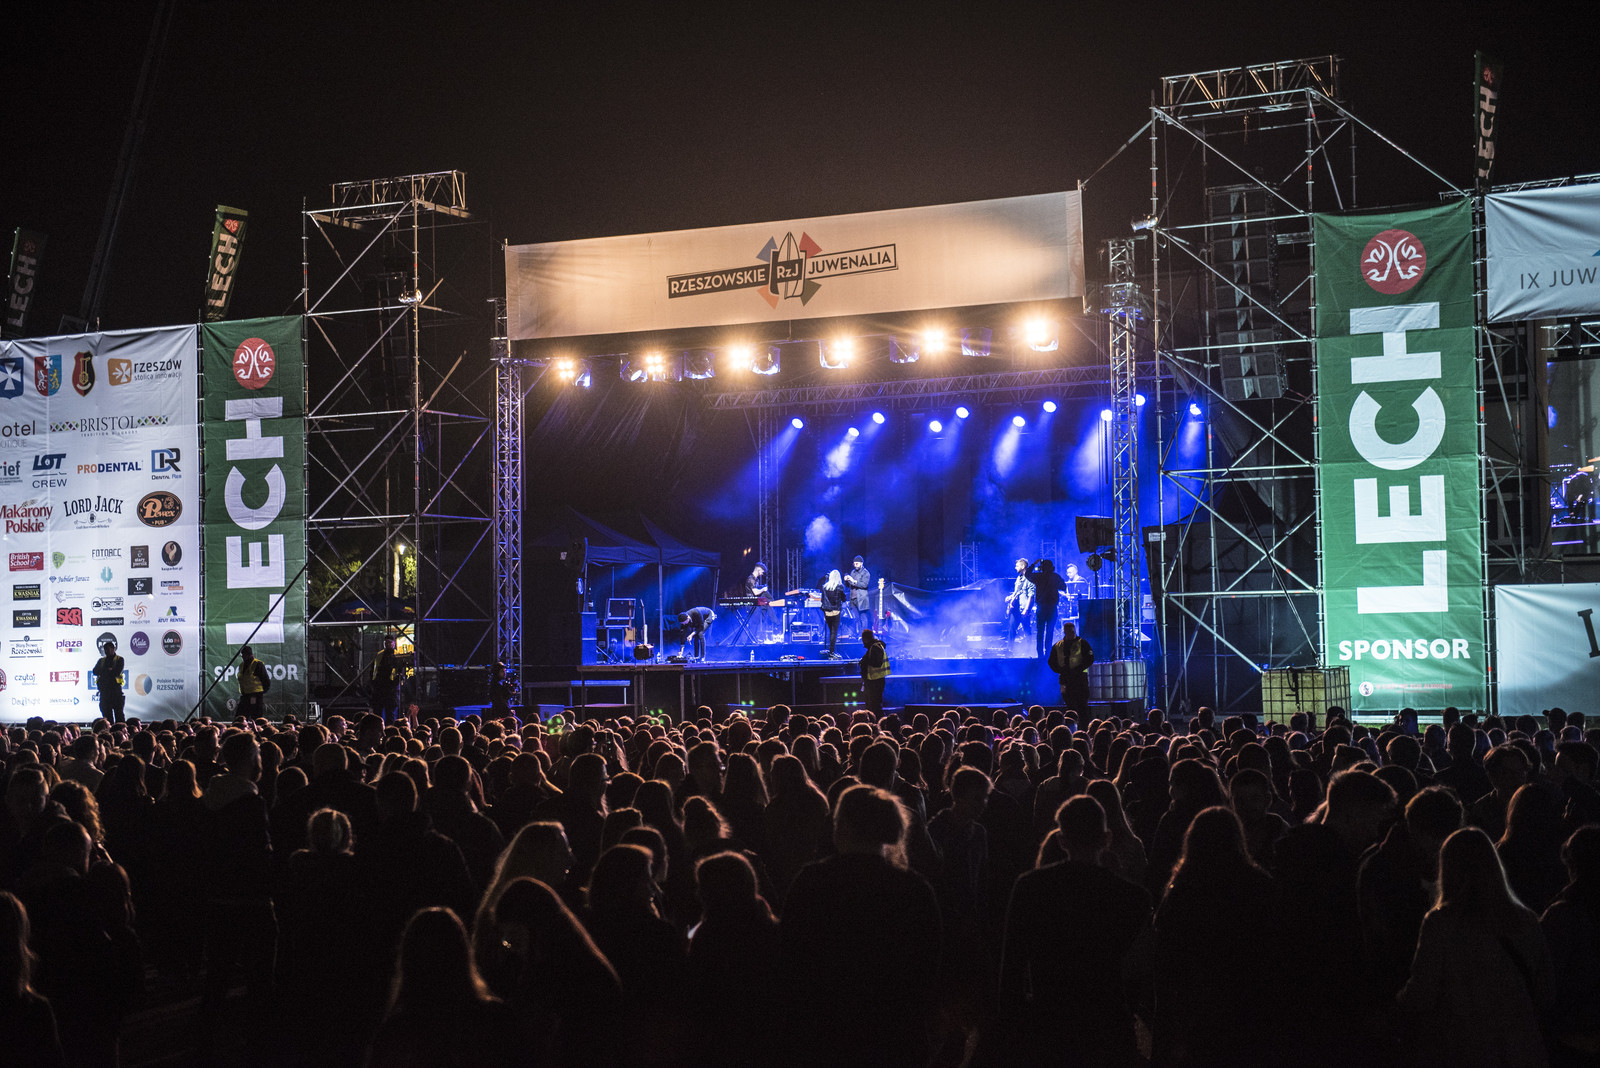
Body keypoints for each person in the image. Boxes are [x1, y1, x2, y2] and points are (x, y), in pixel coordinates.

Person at [779, 785, 941, 1068]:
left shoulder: (812, 882)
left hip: (824, 1033)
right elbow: (928, 966)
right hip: (894, 1034)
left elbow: (788, 957)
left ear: (842, 826)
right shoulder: (913, 888)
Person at [1397, 827, 1554, 1068]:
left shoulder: (1441, 923)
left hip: (1466, 1048)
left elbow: (1422, 994)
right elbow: (1545, 990)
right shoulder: (1526, 920)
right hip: (1522, 1047)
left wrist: (1395, 1007)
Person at [1025, 558, 1068, 659]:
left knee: (1040, 632)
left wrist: (1033, 564)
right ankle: (1048, 654)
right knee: (1050, 632)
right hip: (1052, 608)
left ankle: (1040, 655)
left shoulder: (1038, 576)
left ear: (1042, 568)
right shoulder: (1055, 576)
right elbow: (1063, 587)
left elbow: (1027, 574)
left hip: (1041, 607)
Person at [1047, 621, 1094, 712]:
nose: (1071, 634)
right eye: (1069, 632)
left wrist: (1078, 669)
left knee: (1082, 705)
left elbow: (1090, 659)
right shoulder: (1058, 646)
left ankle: (1082, 720)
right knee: (1069, 704)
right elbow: (1051, 662)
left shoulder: (1082, 643)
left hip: (1080, 678)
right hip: (1065, 678)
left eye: (1072, 632)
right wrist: (1061, 670)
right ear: (1064, 632)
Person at [91, 638, 126, 724]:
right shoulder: (101, 660)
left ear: (113, 649)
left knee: (119, 714)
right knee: (106, 715)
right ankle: (109, 729)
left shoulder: (119, 659)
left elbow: (116, 672)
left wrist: (104, 671)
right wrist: (108, 670)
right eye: (105, 649)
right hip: (104, 691)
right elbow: (95, 671)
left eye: (108, 649)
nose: (106, 651)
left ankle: (120, 729)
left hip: (116, 691)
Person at [1002, 558, 1034, 649]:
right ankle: (1010, 650)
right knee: (1012, 629)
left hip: (1024, 609)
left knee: (1027, 630)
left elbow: (1031, 596)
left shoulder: (1030, 578)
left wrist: (1026, 610)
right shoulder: (1019, 578)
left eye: (1017, 566)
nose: (1015, 567)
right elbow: (1016, 592)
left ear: (1023, 566)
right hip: (1015, 609)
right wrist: (1010, 597)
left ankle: (1029, 650)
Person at [370, 637, 404, 722]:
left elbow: (401, 671)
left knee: (390, 712)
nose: (387, 644)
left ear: (394, 644)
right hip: (379, 686)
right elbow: (373, 669)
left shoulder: (398, 655)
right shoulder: (379, 655)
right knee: (378, 711)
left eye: (389, 642)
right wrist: (373, 682)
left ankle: (390, 727)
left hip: (391, 687)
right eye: (386, 643)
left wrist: (396, 682)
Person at [859, 628, 890, 716]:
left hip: (875, 681)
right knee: (873, 705)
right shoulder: (874, 647)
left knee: (875, 705)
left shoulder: (875, 647)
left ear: (865, 639)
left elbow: (877, 663)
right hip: (874, 680)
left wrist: (865, 662)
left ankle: (878, 721)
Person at [235, 645, 271, 718]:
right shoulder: (242, 665)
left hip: (255, 695)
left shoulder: (258, 664)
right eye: (242, 655)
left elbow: (266, 680)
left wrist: (260, 693)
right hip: (245, 695)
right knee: (240, 716)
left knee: (256, 716)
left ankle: (257, 725)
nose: (242, 657)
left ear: (249, 654)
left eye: (244, 655)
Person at [818, 570, 846, 657]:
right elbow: (844, 599)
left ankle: (832, 649)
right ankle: (832, 652)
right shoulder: (840, 587)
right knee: (834, 632)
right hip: (836, 611)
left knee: (831, 631)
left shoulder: (824, 587)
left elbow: (822, 600)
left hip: (827, 612)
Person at [843, 555, 872, 637]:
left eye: (857, 564)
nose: (855, 565)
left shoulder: (866, 573)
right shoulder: (853, 572)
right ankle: (858, 634)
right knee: (856, 618)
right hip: (853, 598)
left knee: (863, 617)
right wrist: (846, 580)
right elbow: (849, 585)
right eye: (854, 564)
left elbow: (864, 585)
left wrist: (854, 581)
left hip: (861, 599)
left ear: (861, 563)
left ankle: (864, 635)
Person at [745, 562, 772, 643]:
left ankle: (752, 639)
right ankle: (750, 641)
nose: (762, 574)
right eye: (762, 572)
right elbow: (755, 592)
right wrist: (763, 589)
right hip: (750, 603)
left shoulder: (756, 580)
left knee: (756, 620)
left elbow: (755, 589)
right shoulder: (751, 579)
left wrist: (761, 587)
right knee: (754, 621)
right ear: (758, 569)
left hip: (754, 602)